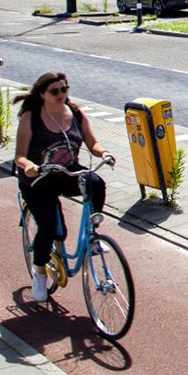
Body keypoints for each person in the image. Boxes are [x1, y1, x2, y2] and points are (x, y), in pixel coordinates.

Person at [13, 72, 114, 302]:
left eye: (64, 89)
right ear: (42, 94)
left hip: (66, 172)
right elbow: (19, 155)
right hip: (37, 179)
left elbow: (92, 142)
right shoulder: (31, 117)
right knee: (51, 229)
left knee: (95, 183)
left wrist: (104, 153)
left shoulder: (76, 113)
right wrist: (29, 165)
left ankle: (92, 236)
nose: (61, 94)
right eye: (55, 91)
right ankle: (39, 274)